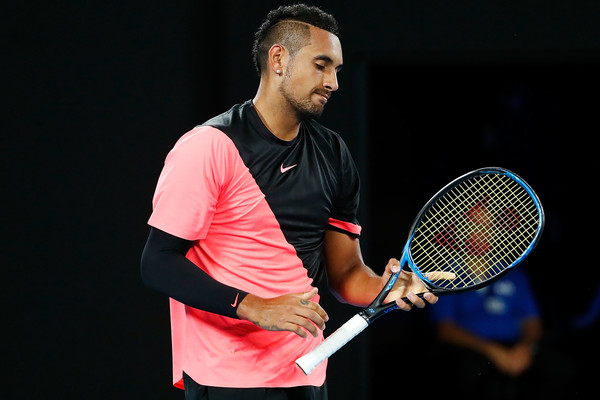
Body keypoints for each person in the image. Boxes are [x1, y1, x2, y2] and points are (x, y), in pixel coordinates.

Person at [140, 4, 438, 399]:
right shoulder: (208, 146)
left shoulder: (333, 152)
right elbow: (157, 263)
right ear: (278, 59)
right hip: (228, 377)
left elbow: (346, 274)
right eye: (321, 65)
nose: (333, 82)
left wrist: (386, 289)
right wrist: (254, 306)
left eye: (336, 70)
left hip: (306, 373)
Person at [429, 268, 574, 400]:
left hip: (514, 344)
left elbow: (533, 323)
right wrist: (491, 350)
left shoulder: (514, 272)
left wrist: (525, 347)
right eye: (476, 235)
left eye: (488, 235)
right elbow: (445, 329)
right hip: (473, 346)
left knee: (561, 368)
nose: (483, 237)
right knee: (469, 371)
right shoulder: (447, 273)